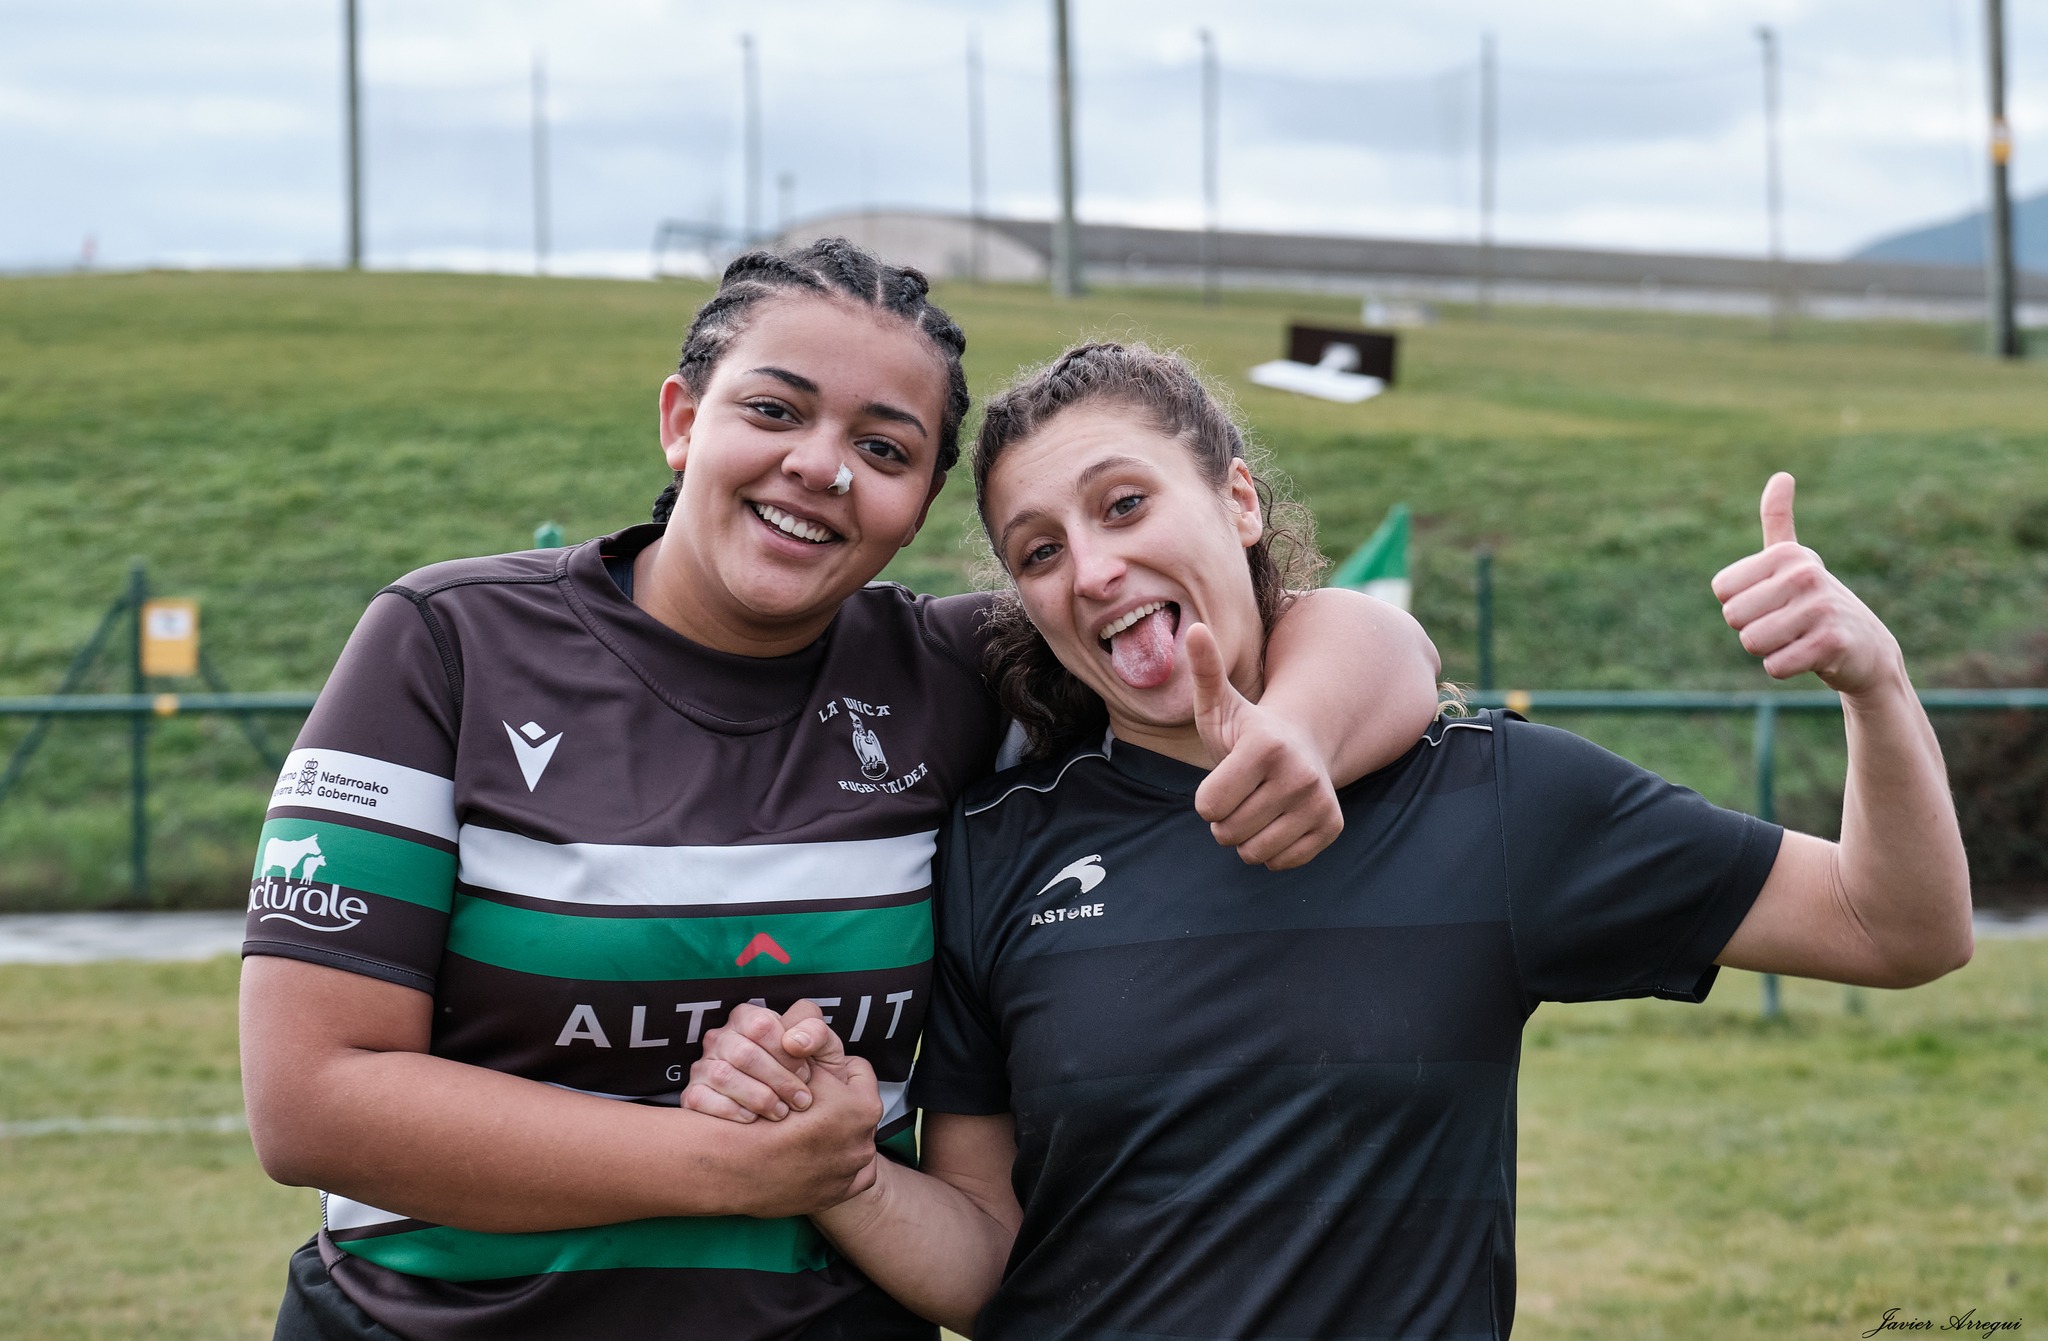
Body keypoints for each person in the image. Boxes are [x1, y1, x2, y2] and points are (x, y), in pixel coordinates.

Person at [238, 250, 1444, 1341]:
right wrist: (729, 1165)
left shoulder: (963, 673)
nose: (818, 468)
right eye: (773, 411)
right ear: (681, 419)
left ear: (917, 507)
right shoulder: (445, 641)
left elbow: (1339, 638)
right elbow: (311, 1103)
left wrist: (1293, 733)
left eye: (883, 448)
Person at [686, 341, 1973, 1340]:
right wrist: (837, 1168)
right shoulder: (996, 847)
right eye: (1040, 550)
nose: (1089, 569)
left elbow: (1896, 929)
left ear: (1237, 499)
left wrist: (1875, 683)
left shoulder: (1491, 801)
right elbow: (988, 1262)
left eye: (1124, 503)